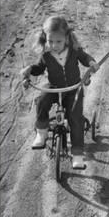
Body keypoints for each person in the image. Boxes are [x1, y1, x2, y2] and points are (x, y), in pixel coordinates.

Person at [20, 16, 99, 169]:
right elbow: (38, 68)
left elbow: (85, 57)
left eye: (58, 41)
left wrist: (91, 63)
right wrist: (29, 70)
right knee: (42, 100)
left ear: (67, 38)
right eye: (50, 41)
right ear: (45, 38)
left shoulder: (74, 50)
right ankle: (42, 132)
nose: (54, 45)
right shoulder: (46, 55)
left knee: (75, 118)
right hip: (54, 87)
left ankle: (77, 154)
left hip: (73, 89)